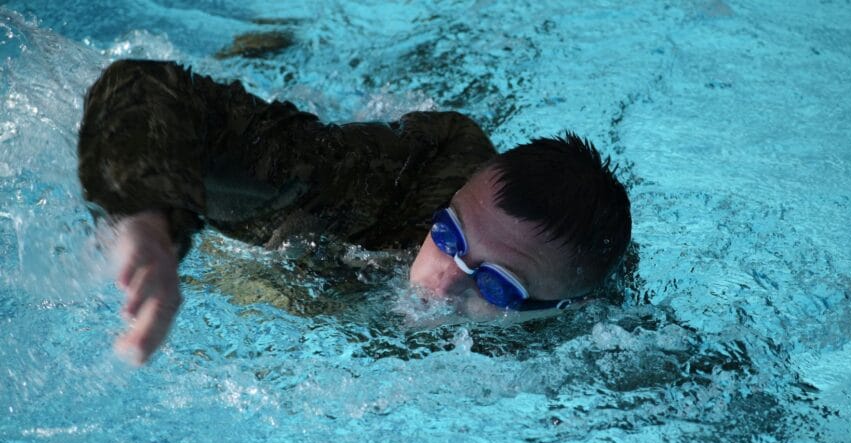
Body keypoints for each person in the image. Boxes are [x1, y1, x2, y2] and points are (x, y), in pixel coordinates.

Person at [78, 59, 632, 364]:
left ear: (563, 309)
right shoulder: (368, 196)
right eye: (448, 235)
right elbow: (141, 88)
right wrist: (147, 217)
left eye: (497, 287)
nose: (441, 286)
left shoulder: (589, 340)